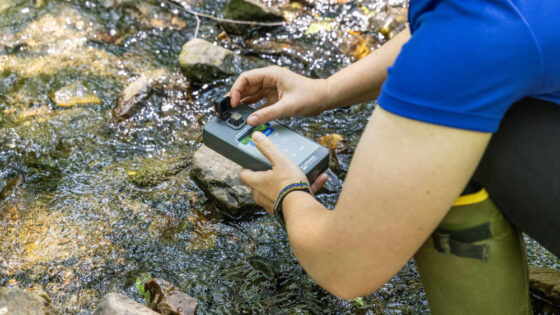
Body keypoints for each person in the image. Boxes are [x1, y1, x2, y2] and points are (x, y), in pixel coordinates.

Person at [228, 0, 559, 312]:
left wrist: (288, 195)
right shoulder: (480, 20)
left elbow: (344, 266)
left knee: (442, 150)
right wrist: (326, 90)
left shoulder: (469, 36)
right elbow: (444, 32)